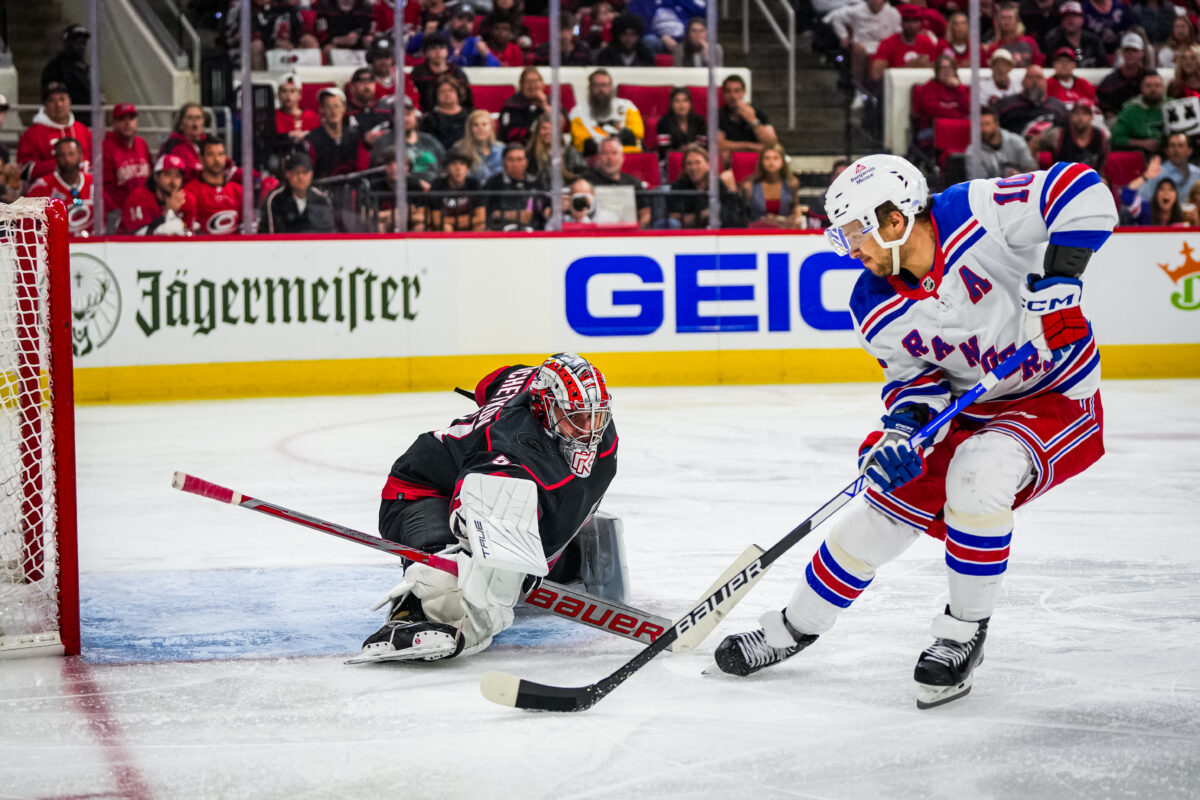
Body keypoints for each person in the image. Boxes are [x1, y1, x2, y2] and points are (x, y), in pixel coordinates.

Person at [715, 153, 1116, 712]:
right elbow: (916, 385)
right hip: (970, 410)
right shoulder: (872, 301)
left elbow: (1081, 187)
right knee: (875, 517)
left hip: (1055, 396)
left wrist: (1062, 278)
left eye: (856, 234)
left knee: (978, 477)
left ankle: (962, 633)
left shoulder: (976, 211)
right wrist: (904, 432)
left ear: (894, 220)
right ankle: (794, 626)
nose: (852, 250)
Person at [356, 354, 617, 663]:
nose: (589, 430)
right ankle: (409, 611)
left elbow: (494, 380)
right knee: (451, 575)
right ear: (544, 407)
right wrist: (504, 563)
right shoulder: (511, 451)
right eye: (576, 417)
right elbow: (471, 511)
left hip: (499, 480)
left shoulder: (547, 395)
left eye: (595, 415)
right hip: (421, 491)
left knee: (543, 568)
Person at [16, 82, 92, 184]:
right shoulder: (32, 134)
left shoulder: (82, 129)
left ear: (69, 101)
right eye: (51, 100)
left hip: (83, 192)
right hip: (48, 194)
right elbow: (24, 170)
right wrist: (62, 164)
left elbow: (96, 162)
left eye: (62, 99)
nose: (58, 105)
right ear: (45, 105)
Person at [25, 137, 95, 235]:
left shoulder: (94, 183)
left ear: (80, 157)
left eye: (71, 154)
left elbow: (110, 214)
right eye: (62, 155)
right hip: (56, 246)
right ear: (56, 159)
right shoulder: (42, 187)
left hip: (95, 244)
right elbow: (26, 221)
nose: (67, 159)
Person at [824, 0, 902, 86]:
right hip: (862, 45)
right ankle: (859, 89)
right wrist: (843, 35)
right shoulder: (856, 10)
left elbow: (898, 33)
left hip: (884, 47)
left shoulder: (893, 13)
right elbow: (836, 17)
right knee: (859, 50)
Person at [569, 69, 646, 155]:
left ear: (611, 87)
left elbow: (635, 135)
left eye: (604, 85)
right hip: (596, 159)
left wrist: (601, 142)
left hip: (628, 156)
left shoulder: (627, 106)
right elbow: (584, 144)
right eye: (597, 85)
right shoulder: (577, 112)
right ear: (590, 87)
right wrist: (617, 140)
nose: (601, 89)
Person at [666, 144, 742, 229]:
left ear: (708, 165)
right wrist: (704, 214)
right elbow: (674, 217)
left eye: (697, 162)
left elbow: (734, 217)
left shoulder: (718, 184)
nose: (693, 168)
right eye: (689, 163)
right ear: (684, 168)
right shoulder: (679, 187)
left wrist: (732, 190)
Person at [119, 153, 197, 236]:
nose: (173, 181)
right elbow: (140, 237)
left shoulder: (188, 200)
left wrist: (183, 228)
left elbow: (189, 235)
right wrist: (167, 212)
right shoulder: (139, 197)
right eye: (167, 174)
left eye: (178, 176)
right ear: (156, 176)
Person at [259, 151, 336, 233]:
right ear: (288, 174)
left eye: (305, 172)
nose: (300, 176)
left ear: (311, 174)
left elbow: (328, 233)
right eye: (296, 172)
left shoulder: (322, 199)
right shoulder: (274, 199)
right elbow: (269, 235)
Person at [582, 137, 652, 228]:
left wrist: (638, 232)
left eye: (614, 153)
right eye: (605, 153)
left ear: (622, 157)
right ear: (598, 157)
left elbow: (645, 214)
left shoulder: (634, 183)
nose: (610, 158)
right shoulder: (586, 182)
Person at [102, 103, 152, 230]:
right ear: (113, 123)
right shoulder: (106, 148)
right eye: (121, 119)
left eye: (131, 118)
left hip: (144, 210)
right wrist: (114, 210)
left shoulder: (142, 144)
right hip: (119, 214)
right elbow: (103, 187)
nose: (127, 123)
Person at [183, 137, 244, 235]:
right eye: (211, 154)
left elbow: (247, 229)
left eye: (221, 154)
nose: (217, 159)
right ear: (201, 158)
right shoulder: (190, 190)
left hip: (234, 247)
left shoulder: (238, 191)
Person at [911, 55, 970, 154]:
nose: (946, 71)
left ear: (954, 70)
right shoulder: (927, 88)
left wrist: (959, 88)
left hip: (959, 128)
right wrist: (958, 114)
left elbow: (969, 109)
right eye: (943, 68)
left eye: (950, 67)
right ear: (937, 71)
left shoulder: (962, 89)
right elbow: (935, 111)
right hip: (932, 129)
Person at [302, 87, 364, 179]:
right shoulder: (312, 140)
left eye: (336, 106)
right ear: (322, 110)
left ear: (344, 108)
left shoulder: (354, 136)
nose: (333, 111)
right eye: (328, 107)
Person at [483, 144, 548, 230]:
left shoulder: (536, 183)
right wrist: (514, 215)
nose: (515, 164)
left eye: (519, 159)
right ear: (503, 162)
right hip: (501, 234)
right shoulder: (493, 183)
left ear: (526, 162)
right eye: (511, 160)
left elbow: (545, 210)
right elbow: (486, 214)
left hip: (534, 234)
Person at [869, 5, 941, 82]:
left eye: (915, 20)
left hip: (922, 85)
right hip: (896, 84)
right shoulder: (888, 42)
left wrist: (925, 65)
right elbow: (876, 74)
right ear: (901, 23)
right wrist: (910, 66)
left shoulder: (927, 41)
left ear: (920, 23)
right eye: (907, 20)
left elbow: (935, 70)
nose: (911, 25)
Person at [1031, 101, 1109, 171]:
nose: (1080, 118)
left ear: (1091, 117)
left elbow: (1104, 157)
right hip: (1064, 182)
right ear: (1071, 116)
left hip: (1090, 180)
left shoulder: (1100, 136)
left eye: (1085, 114)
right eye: (1077, 113)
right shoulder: (1058, 134)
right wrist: (1037, 169)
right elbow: (1034, 144)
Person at [742, 143, 805, 228]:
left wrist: (797, 218)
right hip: (757, 233)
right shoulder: (749, 185)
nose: (771, 162)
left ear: (782, 161)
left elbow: (795, 207)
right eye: (767, 158)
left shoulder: (792, 184)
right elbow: (744, 215)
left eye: (775, 158)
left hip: (785, 231)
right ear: (761, 162)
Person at [995, 65, 1068, 137]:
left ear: (1045, 83)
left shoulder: (1058, 107)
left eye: (1039, 77)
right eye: (1030, 77)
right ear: (1022, 82)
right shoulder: (1005, 105)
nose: (1034, 81)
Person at [41, 24, 92, 125]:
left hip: (87, 123)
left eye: (83, 43)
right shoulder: (55, 67)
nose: (81, 47)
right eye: (77, 42)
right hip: (65, 122)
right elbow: (52, 96)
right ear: (67, 43)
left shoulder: (84, 67)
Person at [717, 75, 778, 159]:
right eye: (728, 91)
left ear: (743, 92)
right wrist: (748, 146)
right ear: (723, 93)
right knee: (724, 153)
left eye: (737, 91)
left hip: (756, 159)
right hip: (731, 158)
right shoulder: (719, 114)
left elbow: (771, 143)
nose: (733, 96)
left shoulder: (756, 112)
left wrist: (753, 120)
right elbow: (719, 145)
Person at [411, 33, 475, 113]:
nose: (438, 52)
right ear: (426, 52)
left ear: (447, 51)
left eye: (442, 48)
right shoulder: (418, 74)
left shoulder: (458, 73)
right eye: (433, 48)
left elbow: (468, 103)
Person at [1096, 33, 1153, 117]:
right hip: (1119, 122)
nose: (1130, 53)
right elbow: (1102, 106)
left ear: (1142, 53)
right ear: (1121, 53)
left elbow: (1158, 100)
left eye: (1134, 50)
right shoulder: (1110, 81)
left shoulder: (1151, 76)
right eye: (1127, 50)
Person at [428, 151, 486, 231]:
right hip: (447, 227)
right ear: (447, 168)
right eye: (453, 164)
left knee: (481, 226)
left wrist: (452, 221)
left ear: (467, 168)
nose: (458, 168)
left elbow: (480, 218)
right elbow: (437, 220)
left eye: (462, 164)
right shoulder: (438, 185)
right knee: (446, 227)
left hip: (468, 226)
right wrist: (466, 220)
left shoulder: (474, 184)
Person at [1110, 72, 1166, 154]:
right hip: (1139, 154)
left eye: (1157, 85)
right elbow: (1116, 138)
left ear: (1163, 88)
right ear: (1141, 88)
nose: (1153, 89)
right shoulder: (1130, 110)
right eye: (1148, 86)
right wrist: (1141, 143)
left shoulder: (1172, 105)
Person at [1042, 1, 1109, 68]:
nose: (1070, 20)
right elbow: (1050, 69)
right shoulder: (1054, 44)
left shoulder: (1094, 41)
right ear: (1062, 22)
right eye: (1066, 16)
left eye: (1074, 16)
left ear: (1082, 19)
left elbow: (1104, 66)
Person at [1137, 132, 1199, 202]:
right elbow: (1142, 199)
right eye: (1172, 146)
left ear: (1189, 151)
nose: (1176, 150)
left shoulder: (1197, 174)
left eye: (1180, 146)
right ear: (1167, 151)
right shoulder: (1155, 174)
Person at [525, 114, 586, 185]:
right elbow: (529, 178)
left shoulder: (570, 151)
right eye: (544, 128)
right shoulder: (530, 153)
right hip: (541, 192)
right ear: (538, 131)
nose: (548, 132)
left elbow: (582, 174)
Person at [979, 105, 1038, 177]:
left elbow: (1032, 170)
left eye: (987, 124)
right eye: (980, 125)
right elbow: (977, 182)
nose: (984, 129)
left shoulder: (1016, 141)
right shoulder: (973, 151)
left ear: (997, 124)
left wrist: (1020, 176)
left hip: (1020, 185)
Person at [498, 67, 553, 144]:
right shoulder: (511, 105)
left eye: (536, 81)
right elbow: (507, 133)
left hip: (547, 146)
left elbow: (562, 125)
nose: (532, 85)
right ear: (521, 85)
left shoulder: (551, 101)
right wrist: (533, 134)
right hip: (519, 146)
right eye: (528, 81)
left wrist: (545, 105)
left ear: (543, 84)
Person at [400, 96, 446, 186]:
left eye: (408, 114)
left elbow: (445, 165)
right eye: (400, 115)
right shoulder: (386, 142)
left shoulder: (429, 140)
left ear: (415, 116)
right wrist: (417, 183)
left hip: (434, 191)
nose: (405, 119)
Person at [158, 102, 209, 182]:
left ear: (203, 122)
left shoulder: (206, 142)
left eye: (198, 118)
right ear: (181, 123)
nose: (195, 124)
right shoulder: (176, 145)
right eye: (190, 118)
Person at [983, 1, 1044, 67]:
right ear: (999, 22)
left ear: (1016, 21)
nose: (1006, 21)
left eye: (1009, 18)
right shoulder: (995, 46)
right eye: (1003, 18)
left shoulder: (1029, 42)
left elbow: (1039, 63)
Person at [1120, 163, 1185, 225]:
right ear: (1156, 194)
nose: (1166, 193)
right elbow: (1126, 195)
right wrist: (1146, 175)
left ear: (1176, 196)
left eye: (1171, 189)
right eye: (1162, 189)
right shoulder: (1145, 209)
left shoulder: (1183, 216)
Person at [656, 87, 707, 162]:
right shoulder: (663, 122)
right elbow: (664, 150)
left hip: (697, 159)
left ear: (690, 103)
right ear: (671, 104)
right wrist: (685, 148)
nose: (681, 105)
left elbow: (704, 147)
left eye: (685, 100)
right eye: (677, 101)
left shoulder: (700, 121)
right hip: (672, 161)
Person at [420, 75, 471, 151]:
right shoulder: (429, 119)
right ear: (436, 95)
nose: (447, 94)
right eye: (442, 91)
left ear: (458, 92)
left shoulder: (471, 115)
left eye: (451, 90)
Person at [454, 109, 504, 182]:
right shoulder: (459, 150)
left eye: (484, 124)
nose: (480, 128)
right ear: (469, 128)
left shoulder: (502, 149)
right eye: (475, 125)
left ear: (491, 127)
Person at [275, 74, 321, 149]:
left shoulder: (311, 116)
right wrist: (289, 135)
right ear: (278, 94)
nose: (288, 95)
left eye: (292, 91)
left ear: (300, 94)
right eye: (284, 91)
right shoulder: (273, 116)